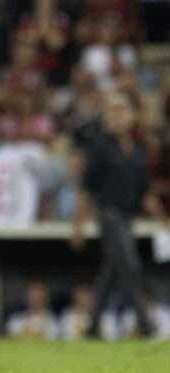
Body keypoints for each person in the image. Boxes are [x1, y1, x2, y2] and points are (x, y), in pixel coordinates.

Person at [71, 92, 167, 338]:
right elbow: (86, 187)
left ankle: (92, 327)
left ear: (132, 117)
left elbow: (145, 193)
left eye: (121, 112)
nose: (116, 117)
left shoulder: (136, 151)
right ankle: (146, 325)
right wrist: (78, 224)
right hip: (109, 215)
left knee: (112, 271)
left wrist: (164, 218)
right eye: (112, 112)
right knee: (130, 265)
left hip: (127, 217)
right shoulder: (100, 147)